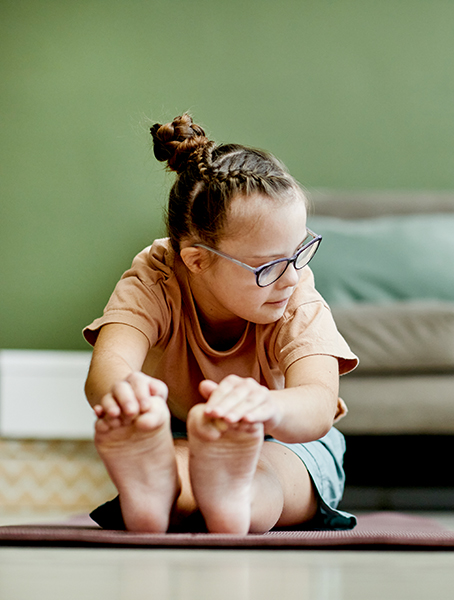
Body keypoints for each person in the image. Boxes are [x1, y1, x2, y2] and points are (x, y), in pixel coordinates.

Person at [83, 114, 358, 535]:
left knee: (270, 477)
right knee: (178, 461)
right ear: (196, 260)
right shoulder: (156, 278)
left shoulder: (295, 291)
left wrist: (267, 408)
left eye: (300, 250)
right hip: (187, 433)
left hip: (286, 438)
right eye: (266, 265)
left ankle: (236, 497)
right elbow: (108, 366)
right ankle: (160, 491)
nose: (290, 276)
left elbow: (319, 403)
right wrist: (127, 395)